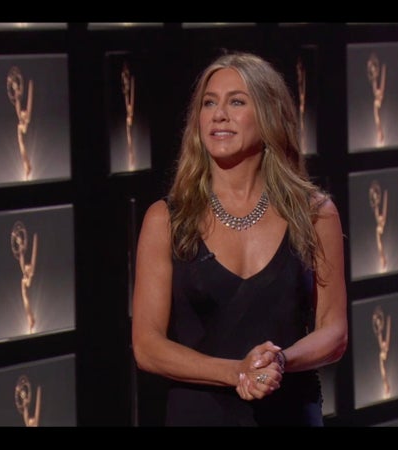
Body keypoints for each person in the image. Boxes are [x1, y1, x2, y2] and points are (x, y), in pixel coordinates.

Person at [131, 51, 348, 426]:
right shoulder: (166, 220)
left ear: (268, 116)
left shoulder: (314, 214)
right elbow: (148, 347)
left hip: (290, 414)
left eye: (236, 102)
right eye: (209, 103)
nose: (218, 115)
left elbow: (334, 332)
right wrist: (237, 373)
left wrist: (279, 361)